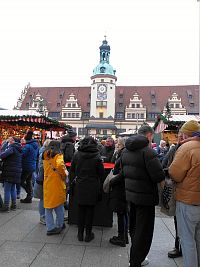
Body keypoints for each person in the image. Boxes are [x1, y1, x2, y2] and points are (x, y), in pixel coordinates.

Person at [121, 125, 165, 267]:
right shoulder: (148, 152)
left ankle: (135, 257)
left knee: (134, 227)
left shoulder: (126, 150)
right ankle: (136, 260)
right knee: (144, 231)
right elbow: (158, 176)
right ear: (149, 135)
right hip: (146, 197)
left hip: (131, 195)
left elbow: (122, 171)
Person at [169, 120, 200, 267]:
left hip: (188, 201)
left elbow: (175, 174)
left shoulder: (187, 148)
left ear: (185, 133)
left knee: (187, 240)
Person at [69, 136, 104, 242]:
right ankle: (88, 234)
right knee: (90, 210)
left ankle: (80, 234)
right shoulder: (97, 156)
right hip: (93, 185)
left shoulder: (77, 154)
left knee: (81, 210)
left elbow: (73, 170)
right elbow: (101, 173)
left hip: (80, 184)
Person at [162, 132, 183, 259]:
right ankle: (178, 246)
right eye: (180, 135)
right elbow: (164, 165)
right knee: (178, 220)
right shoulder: (174, 149)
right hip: (178, 189)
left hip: (187, 191)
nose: (181, 137)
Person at [43, 140, 68, 235]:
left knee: (48, 207)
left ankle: (50, 227)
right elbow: (60, 165)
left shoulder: (45, 154)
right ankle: (60, 224)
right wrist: (64, 174)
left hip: (47, 182)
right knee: (59, 206)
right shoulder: (58, 155)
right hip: (57, 183)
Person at [109, 137, 128, 247]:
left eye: (117, 142)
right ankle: (124, 237)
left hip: (121, 187)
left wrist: (112, 181)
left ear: (121, 144)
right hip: (123, 187)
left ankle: (121, 237)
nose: (115, 144)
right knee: (123, 212)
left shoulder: (123, 154)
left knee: (121, 213)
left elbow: (122, 173)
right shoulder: (123, 153)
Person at [0, 137, 22, 212]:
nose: (8, 140)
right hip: (16, 171)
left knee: (7, 189)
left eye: (9, 139)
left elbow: (2, 155)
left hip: (9, 171)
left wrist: (4, 147)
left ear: (13, 141)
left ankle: (6, 207)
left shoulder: (12, 148)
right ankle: (14, 205)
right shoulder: (18, 148)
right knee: (13, 189)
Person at [33, 139, 51, 225]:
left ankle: (43, 216)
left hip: (41, 177)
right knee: (43, 198)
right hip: (44, 178)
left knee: (42, 199)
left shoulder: (42, 153)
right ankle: (43, 216)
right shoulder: (45, 154)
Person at [20, 130, 40, 203]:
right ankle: (29, 197)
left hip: (26, 165)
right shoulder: (36, 145)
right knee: (28, 181)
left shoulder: (27, 146)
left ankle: (30, 194)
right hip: (32, 165)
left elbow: (22, 155)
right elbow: (37, 155)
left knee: (21, 181)